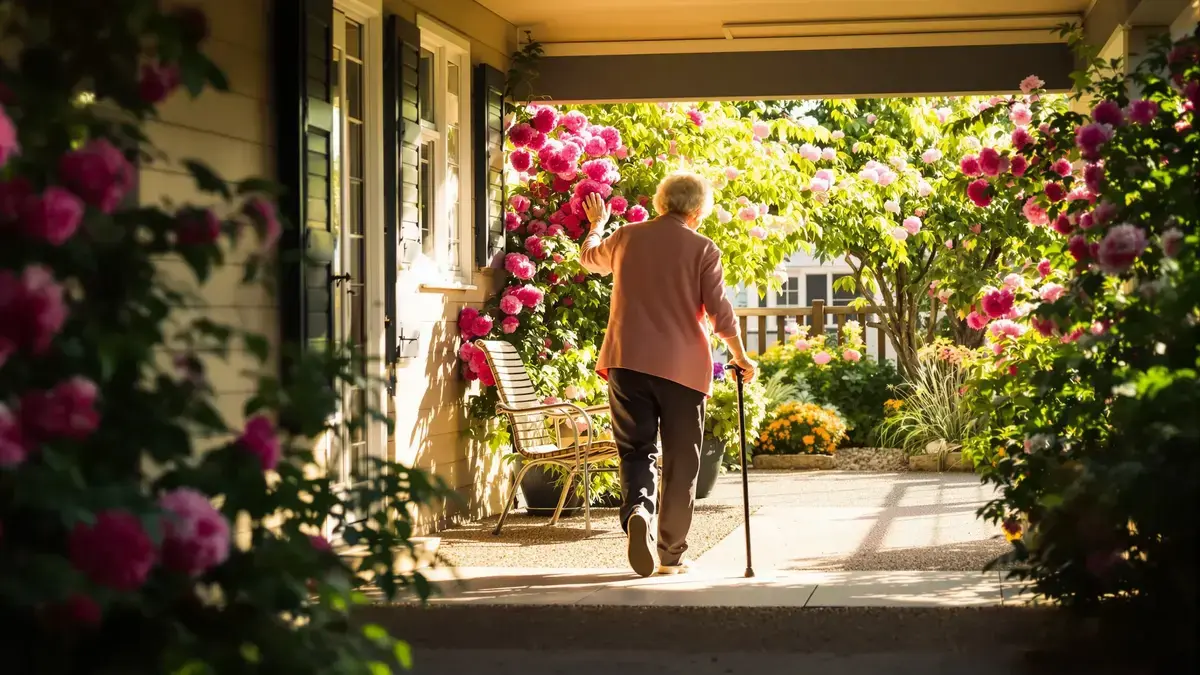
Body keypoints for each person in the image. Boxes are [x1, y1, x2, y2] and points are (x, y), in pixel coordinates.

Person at [579, 171, 756, 578]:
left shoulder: (625, 237)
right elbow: (720, 312)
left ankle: (639, 508)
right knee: (682, 461)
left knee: (637, 450)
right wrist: (741, 357)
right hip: (682, 370)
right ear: (698, 211)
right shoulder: (703, 248)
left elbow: (589, 261)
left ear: (660, 203)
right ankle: (671, 555)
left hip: (627, 361)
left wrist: (596, 227)